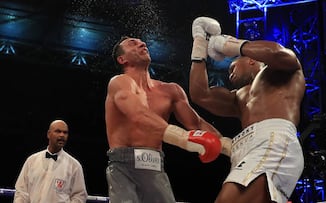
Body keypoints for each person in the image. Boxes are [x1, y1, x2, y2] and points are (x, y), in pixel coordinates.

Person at [189, 17, 305, 203]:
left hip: (273, 140)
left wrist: (232, 45)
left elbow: (275, 53)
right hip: (243, 151)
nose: (230, 74)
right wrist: (199, 45)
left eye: (232, 67)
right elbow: (199, 94)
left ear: (251, 60)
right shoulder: (237, 98)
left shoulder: (283, 73)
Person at [105, 36, 231, 203]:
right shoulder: (119, 83)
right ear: (122, 59)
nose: (142, 44)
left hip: (156, 166)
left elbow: (196, 124)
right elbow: (138, 115)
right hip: (124, 167)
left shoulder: (171, 90)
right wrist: (181, 138)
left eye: (142, 42)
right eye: (132, 44)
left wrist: (229, 147)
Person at [13, 119, 88, 203]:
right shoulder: (32, 160)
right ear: (49, 134)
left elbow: (79, 196)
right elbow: (21, 191)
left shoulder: (74, 166)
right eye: (58, 131)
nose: (62, 135)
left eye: (65, 132)